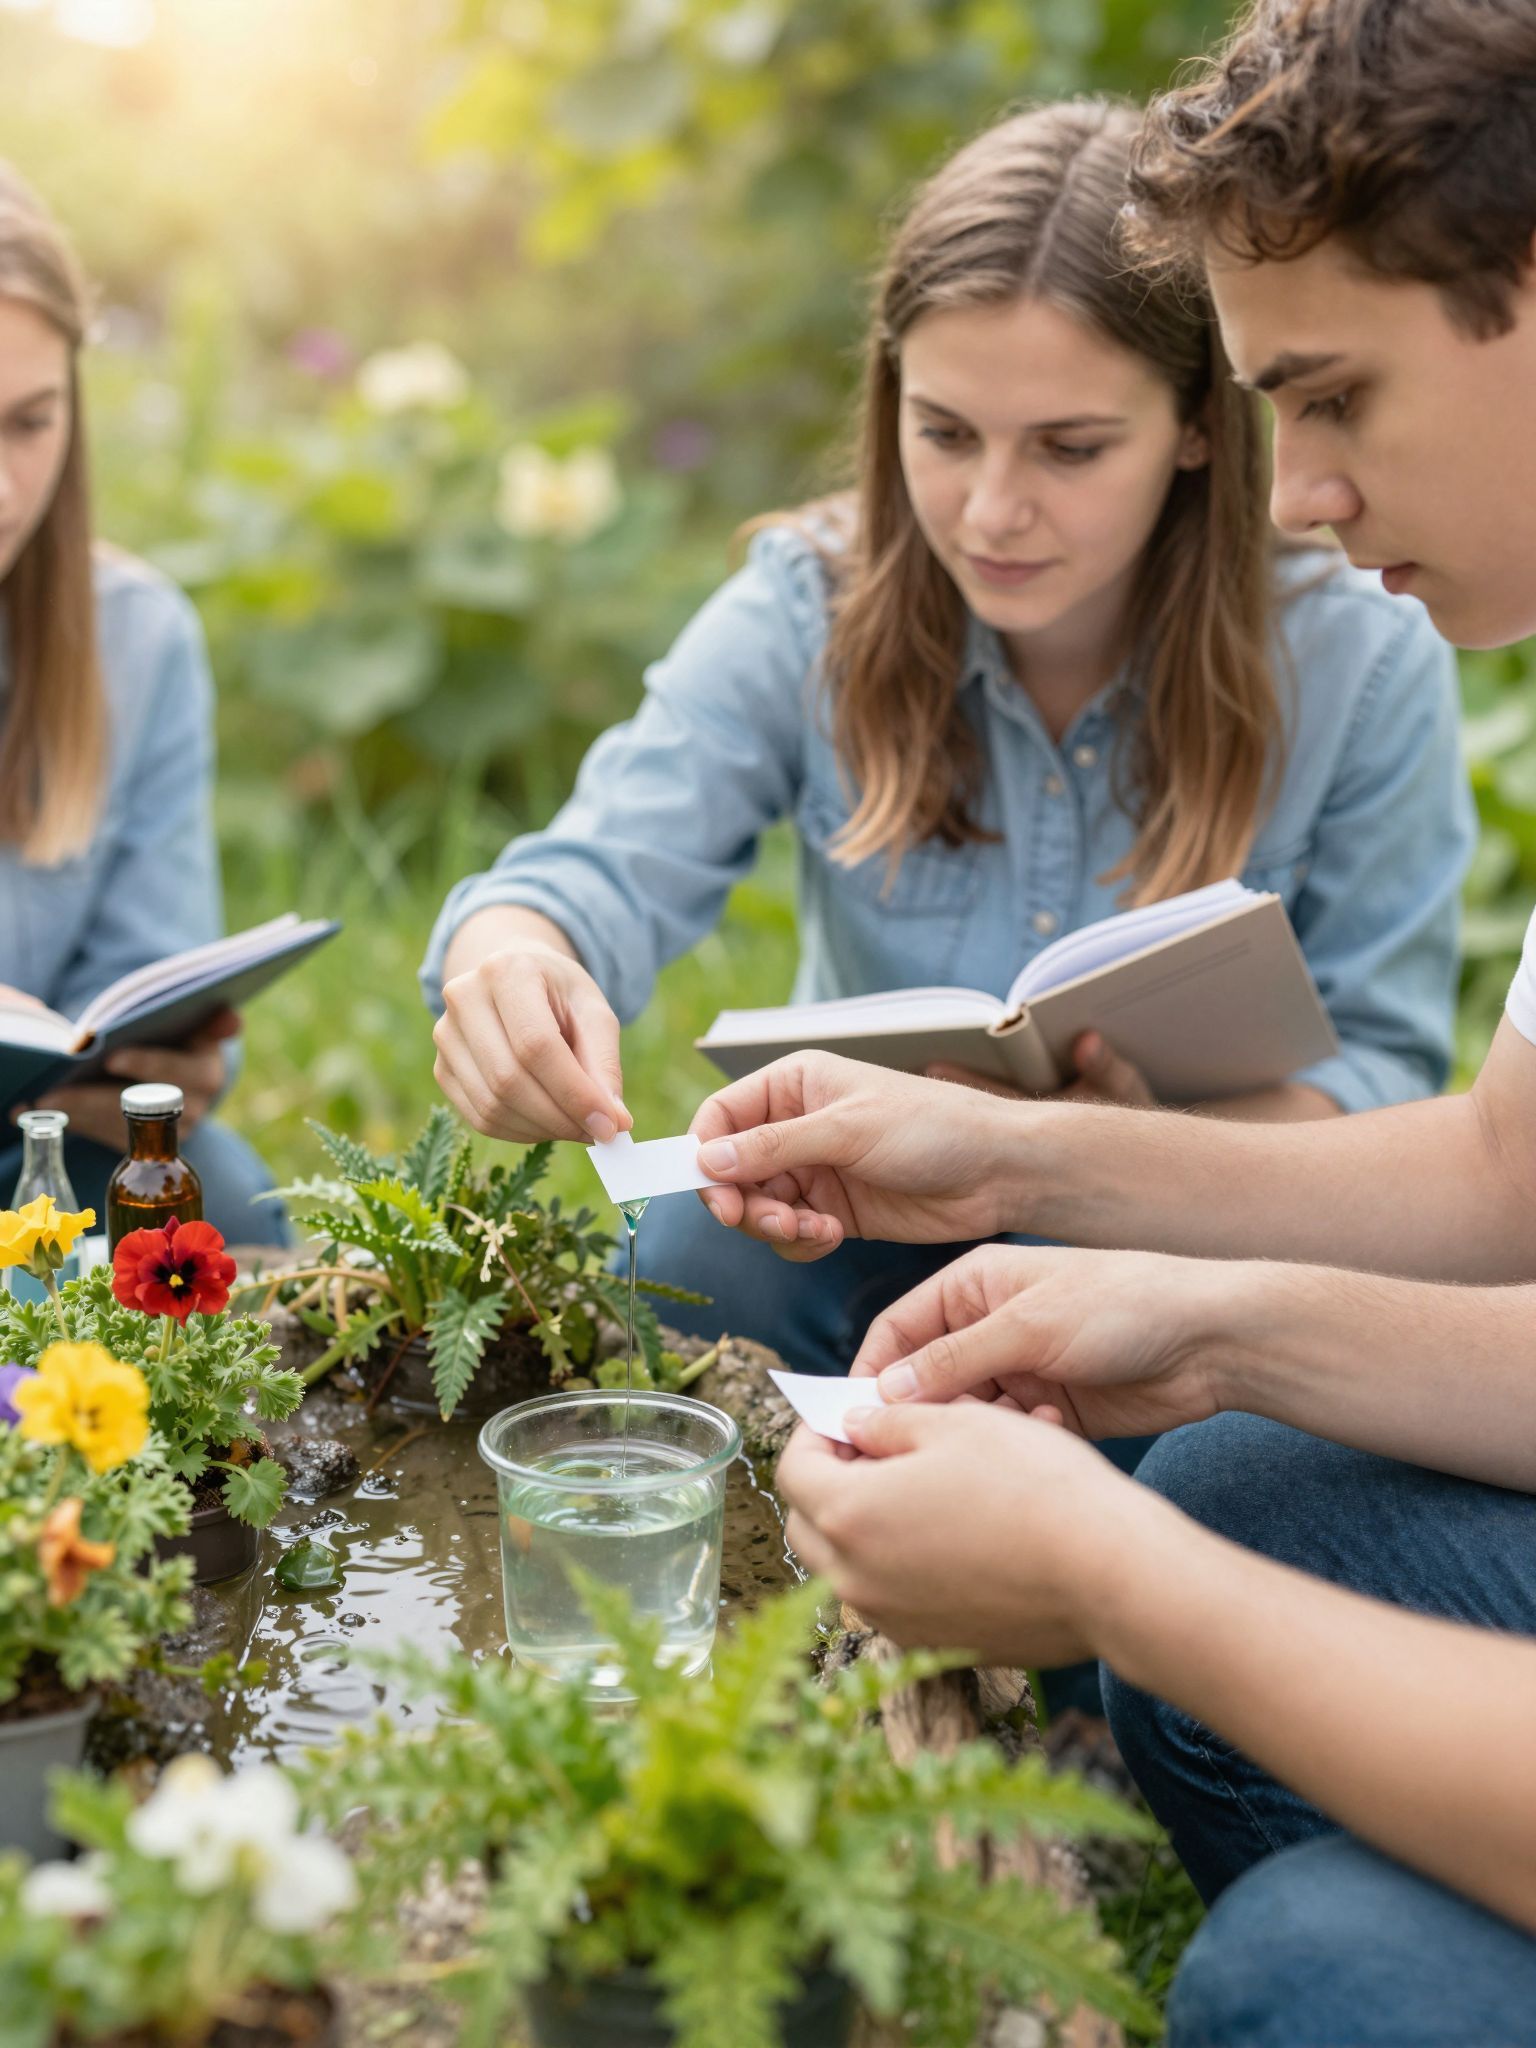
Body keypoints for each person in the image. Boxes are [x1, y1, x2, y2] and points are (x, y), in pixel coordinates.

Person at [688, 1, 1536, 2040]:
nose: (1300, 492)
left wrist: (1111, 1579)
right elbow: (1510, 1179)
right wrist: (1060, 1195)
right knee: (1233, 1482)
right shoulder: (807, 607)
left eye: (1331, 395)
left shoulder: (1354, 660)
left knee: (1315, 1971)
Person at [423, 98, 1472, 1382]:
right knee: (690, 1247)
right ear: (891, 402)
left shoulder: (1359, 655)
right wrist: (514, 960)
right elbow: (589, 871)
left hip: (1181, 1232)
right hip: (856, 1211)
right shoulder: (811, 603)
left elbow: (1383, 1074)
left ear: (1200, 426)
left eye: (1070, 449)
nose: (989, 512)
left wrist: (1098, 1153)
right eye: (945, 434)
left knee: (1194, 1387)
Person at [0, 165, 285, 1243]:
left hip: (24, 1148)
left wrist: (168, 1062)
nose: (4, 490)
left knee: (227, 1202)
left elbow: (146, 973)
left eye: (30, 423)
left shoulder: (135, 639)